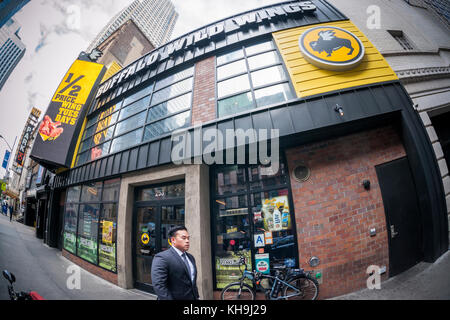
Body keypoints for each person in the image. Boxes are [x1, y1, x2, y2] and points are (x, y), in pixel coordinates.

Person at [151, 226, 199, 300]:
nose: (187, 241)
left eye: (188, 238)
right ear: (173, 240)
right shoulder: (162, 258)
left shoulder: (190, 257)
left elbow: (192, 282)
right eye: (183, 238)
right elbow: (159, 285)